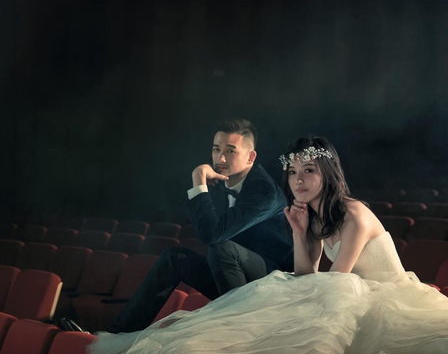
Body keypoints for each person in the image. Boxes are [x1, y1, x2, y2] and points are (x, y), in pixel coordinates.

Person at [81, 135, 448, 354]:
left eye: (308, 171)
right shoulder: (312, 216)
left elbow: (338, 281)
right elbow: (309, 274)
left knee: (302, 319)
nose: (298, 181)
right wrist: (297, 231)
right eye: (293, 173)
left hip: (383, 298)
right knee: (284, 297)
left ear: (327, 174)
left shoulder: (354, 214)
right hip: (346, 296)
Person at [65, 118, 293, 334]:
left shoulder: (261, 190)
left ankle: (235, 325)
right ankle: (117, 332)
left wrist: (198, 178)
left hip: (271, 282)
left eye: (230, 151)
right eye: (216, 149)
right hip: (238, 276)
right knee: (174, 258)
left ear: (250, 157)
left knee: (220, 247)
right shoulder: (223, 182)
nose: (220, 159)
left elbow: (211, 235)